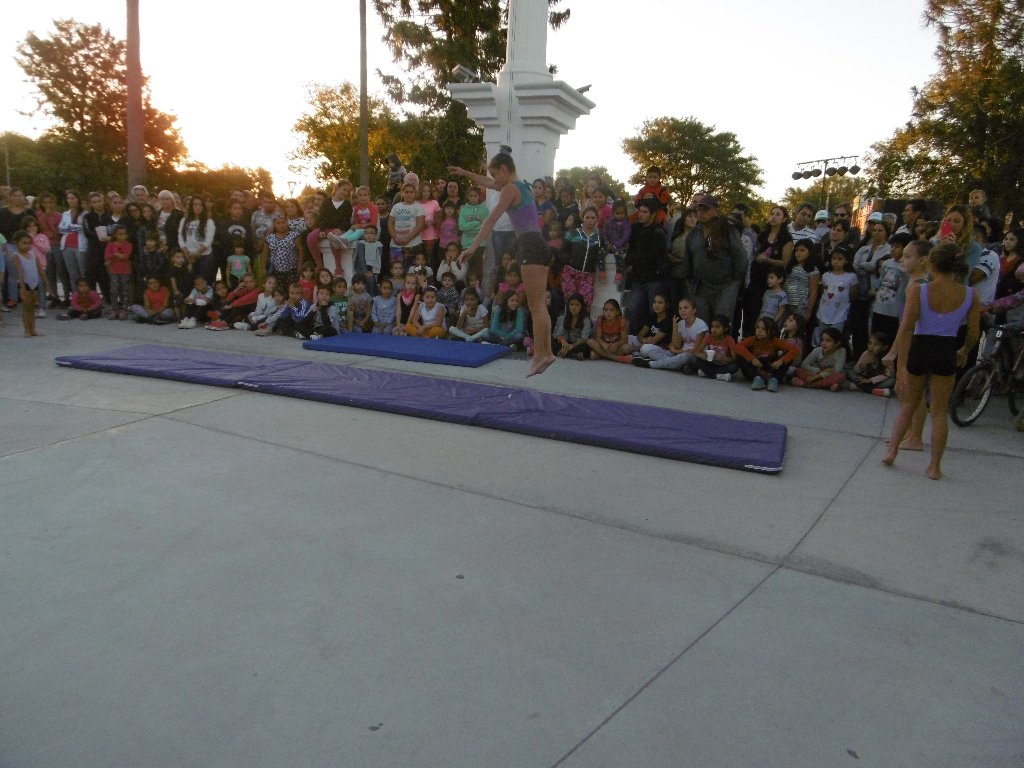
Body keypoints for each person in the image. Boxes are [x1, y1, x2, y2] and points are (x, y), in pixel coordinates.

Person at [450, 151, 556, 376]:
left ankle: (540, 354)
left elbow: (491, 219)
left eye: (496, 174)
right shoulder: (520, 185)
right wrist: (465, 173)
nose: (494, 180)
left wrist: (472, 247)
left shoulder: (510, 189)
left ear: (505, 169)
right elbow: (489, 182)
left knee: (535, 305)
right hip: (539, 245)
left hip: (530, 246)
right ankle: (546, 352)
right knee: (539, 304)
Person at [885, 242, 981, 480]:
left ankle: (892, 450)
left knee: (908, 405)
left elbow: (907, 327)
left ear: (932, 264)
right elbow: (973, 333)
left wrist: (902, 364)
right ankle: (934, 466)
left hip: (921, 346)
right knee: (938, 411)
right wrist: (964, 350)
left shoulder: (920, 290)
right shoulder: (970, 294)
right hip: (946, 348)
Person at [684, 194, 747, 325]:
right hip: (700, 287)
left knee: (721, 325)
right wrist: (690, 280)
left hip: (725, 286)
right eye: (698, 209)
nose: (701, 212)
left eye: (705, 209)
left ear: (714, 210)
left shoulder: (727, 229)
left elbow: (740, 255)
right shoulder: (694, 233)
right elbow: (688, 258)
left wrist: (736, 281)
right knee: (702, 326)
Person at [623, 200, 669, 335]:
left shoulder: (658, 232)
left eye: (645, 212)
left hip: (654, 279)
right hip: (638, 278)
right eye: (640, 211)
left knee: (654, 311)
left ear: (653, 214)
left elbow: (655, 256)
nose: (641, 214)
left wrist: (635, 258)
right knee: (633, 309)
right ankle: (633, 337)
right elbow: (630, 249)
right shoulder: (634, 228)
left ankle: (653, 340)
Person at [634, 297, 707, 371]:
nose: (682, 311)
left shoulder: (700, 325)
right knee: (646, 348)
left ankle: (651, 364)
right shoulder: (680, 323)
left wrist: (676, 351)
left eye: (686, 308)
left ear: (694, 310)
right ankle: (678, 365)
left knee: (685, 356)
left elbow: (695, 351)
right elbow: (676, 346)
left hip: (694, 356)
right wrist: (675, 328)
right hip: (679, 354)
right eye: (680, 308)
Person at [558, 206, 604, 311]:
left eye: (593, 218)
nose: (590, 220)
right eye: (587, 217)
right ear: (583, 218)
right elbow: (561, 252)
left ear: (597, 219)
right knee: (571, 303)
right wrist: (570, 260)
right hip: (570, 273)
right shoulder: (573, 233)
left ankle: (583, 322)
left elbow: (602, 254)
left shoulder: (599, 238)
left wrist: (602, 270)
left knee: (586, 303)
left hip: (587, 275)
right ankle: (569, 321)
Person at [734, 316, 795, 392]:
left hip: (770, 368)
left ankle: (774, 379)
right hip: (756, 368)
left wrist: (781, 361)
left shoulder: (775, 341)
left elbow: (795, 349)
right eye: (758, 328)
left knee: (789, 355)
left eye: (763, 329)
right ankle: (757, 378)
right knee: (740, 354)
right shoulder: (752, 339)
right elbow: (737, 347)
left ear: (771, 331)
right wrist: (752, 359)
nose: (759, 331)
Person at [815, 245, 858, 345]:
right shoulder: (826, 275)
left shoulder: (851, 277)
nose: (836, 261)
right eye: (833, 259)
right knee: (823, 338)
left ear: (846, 261)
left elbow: (853, 295)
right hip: (824, 312)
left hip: (840, 314)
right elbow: (822, 292)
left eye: (839, 259)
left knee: (835, 339)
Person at [11, 230, 50, 336]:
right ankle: (26, 330)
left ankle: (33, 329)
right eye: (24, 243)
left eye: (29, 243)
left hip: (35, 283)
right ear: (16, 243)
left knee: (32, 308)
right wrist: (22, 288)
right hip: (25, 284)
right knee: (26, 308)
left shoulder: (33, 254)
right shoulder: (16, 255)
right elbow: (20, 272)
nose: (27, 246)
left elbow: (40, 270)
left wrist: (47, 283)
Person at [690, 314, 740, 381]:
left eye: (717, 327)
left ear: (725, 329)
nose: (714, 329)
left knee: (734, 367)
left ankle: (707, 373)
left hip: (722, 365)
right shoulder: (708, 337)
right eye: (712, 326)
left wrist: (725, 359)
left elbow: (734, 359)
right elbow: (696, 352)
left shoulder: (729, 339)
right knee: (693, 359)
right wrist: (704, 356)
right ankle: (718, 375)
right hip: (710, 363)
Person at [847, 331, 895, 396]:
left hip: (878, 381)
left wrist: (870, 380)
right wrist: (862, 364)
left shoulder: (887, 358)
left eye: (876, 344)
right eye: (870, 343)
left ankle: (862, 388)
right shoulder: (866, 354)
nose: (871, 347)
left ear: (884, 347)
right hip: (865, 379)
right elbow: (855, 371)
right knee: (849, 372)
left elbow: (886, 375)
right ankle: (874, 390)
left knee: (892, 381)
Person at [587, 297, 632, 362]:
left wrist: (616, 344)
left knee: (627, 347)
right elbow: (598, 337)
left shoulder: (622, 321)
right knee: (590, 341)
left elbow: (624, 339)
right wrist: (603, 344)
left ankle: (601, 354)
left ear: (617, 312)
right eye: (606, 310)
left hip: (615, 347)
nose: (608, 313)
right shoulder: (600, 319)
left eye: (611, 310)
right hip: (604, 346)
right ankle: (615, 358)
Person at [104, 225, 133, 319]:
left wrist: (114, 255)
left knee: (124, 290)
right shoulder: (110, 245)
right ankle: (114, 309)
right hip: (113, 270)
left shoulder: (128, 245)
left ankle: (124, 309)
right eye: (120, 234)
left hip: (125, 270)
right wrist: (115, 255)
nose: (122, 236)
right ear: (115, 235)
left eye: (124, 234)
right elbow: (106, 256)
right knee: (114, 290)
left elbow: (125, 256)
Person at [553, 293, 593, 359]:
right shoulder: (566, 318)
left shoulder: (585, 319)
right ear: (568, 306)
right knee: (553, 342)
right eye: (571, 304)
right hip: (568, 342)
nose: (574, 308)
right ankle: (574, 354)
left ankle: (567, 353)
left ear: (581, 306)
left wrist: (572, 345)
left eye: (577, 305)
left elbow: (584, 338)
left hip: (579, 343)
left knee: (586, 347)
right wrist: (563, 341)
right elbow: (558, 334)